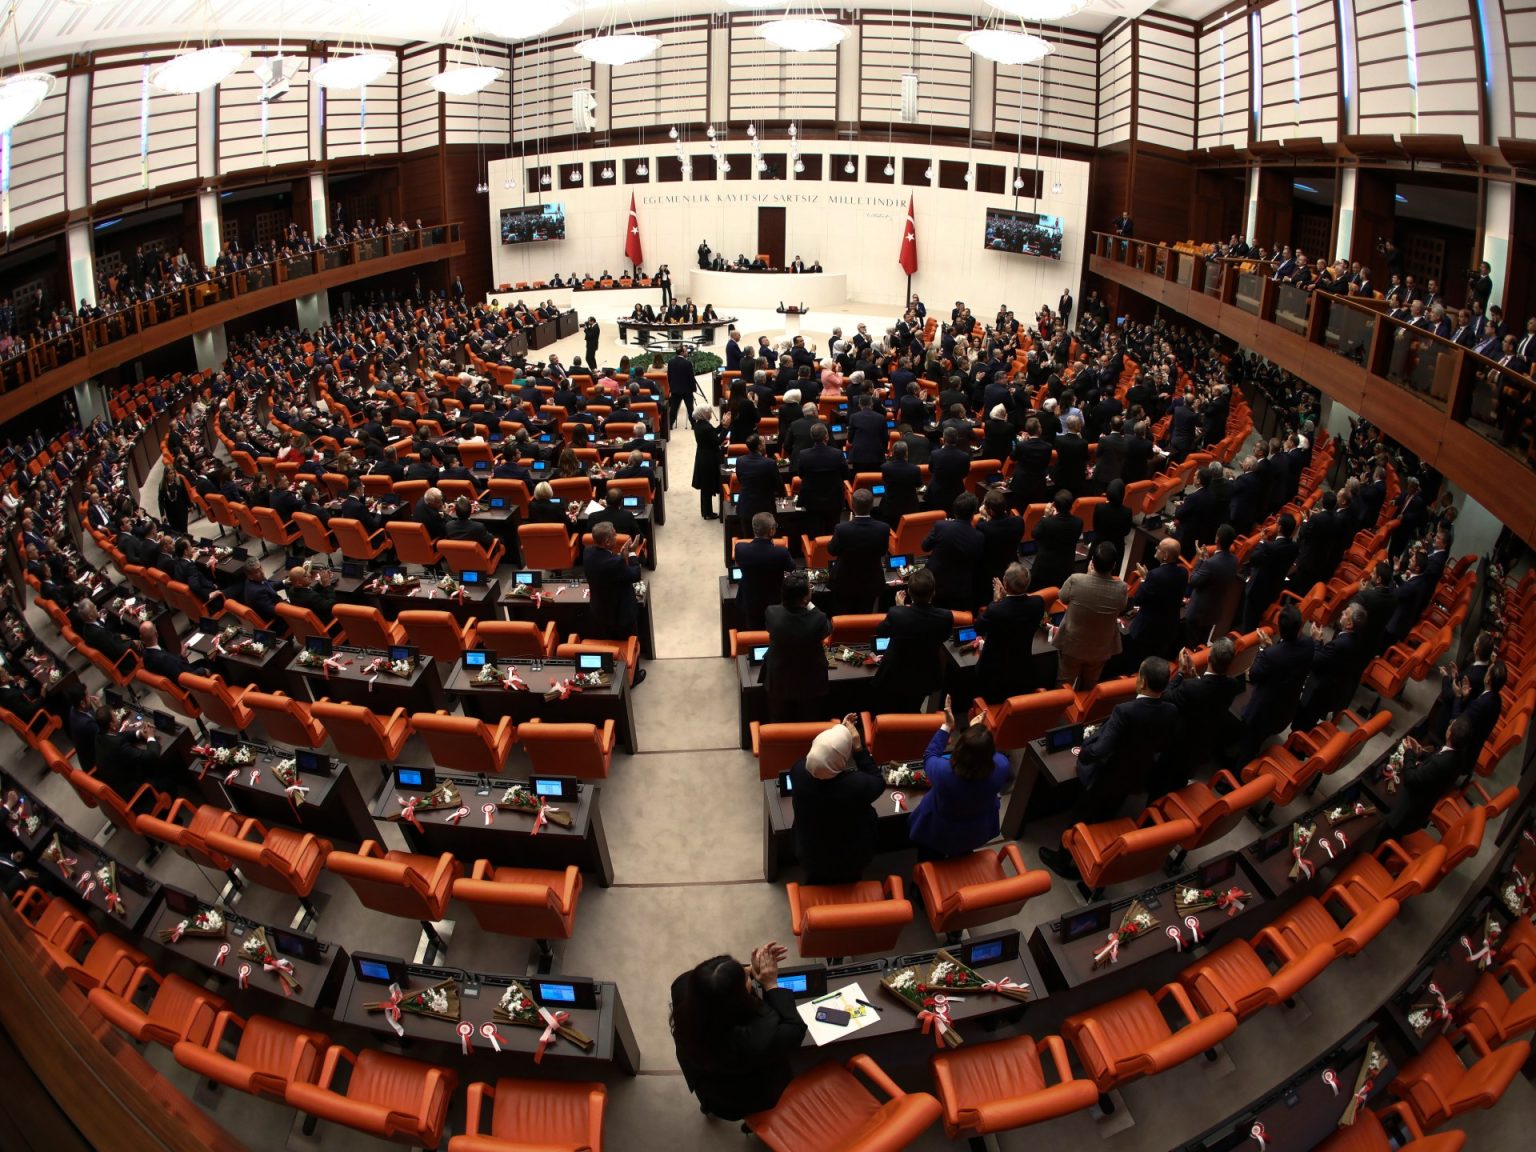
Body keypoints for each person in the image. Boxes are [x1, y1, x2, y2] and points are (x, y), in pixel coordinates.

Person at [1039, 657, 1182, 880]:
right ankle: (1101, 850)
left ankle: (1062, 860)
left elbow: (1100, 750)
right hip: (1136, 774)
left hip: (1105, 776)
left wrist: (1084, 753)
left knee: (1080, 816)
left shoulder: (1124, 711)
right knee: (1108, 814)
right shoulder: (1171, 710)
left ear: (1142, 682)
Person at [670, 943, 805, 1121]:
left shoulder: (683, 989)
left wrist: (750, 970)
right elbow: (795, 1030)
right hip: (747, 1099)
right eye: (746, 978)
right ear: (736, 998)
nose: (748, 974)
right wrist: (771, 985)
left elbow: (718, 983)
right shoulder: (757, 1037)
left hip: (712, 1092)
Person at [906, 697, 1011, 860]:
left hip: (937, 833)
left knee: (929, 857)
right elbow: (985, 758)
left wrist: (947, 725)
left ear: (959, 748)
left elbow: (930, 755)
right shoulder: (1002, 766)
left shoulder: (943, 772)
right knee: (963, 853)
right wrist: (976, 733)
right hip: (976, 831)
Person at [789, 718, 884, 883]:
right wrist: (858, 748)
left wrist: (840, 731)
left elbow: (818, 757)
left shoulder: (798, 772)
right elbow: (878, 781)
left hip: (809, 857)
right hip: (852, 862)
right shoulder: (856, 786)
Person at [1236, 605, 1313, 761]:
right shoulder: (1309, 645)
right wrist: (1271, 649)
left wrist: (1263, 649)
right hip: (1285, 710)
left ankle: (1237, 773)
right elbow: (1286, 659)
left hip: (1261, 714)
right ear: (1299, 628)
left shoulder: (1271, 655)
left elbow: (1254, 675)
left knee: (1248, 749)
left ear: (1279, 627)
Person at [873, 568, 953, 713]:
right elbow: (944, 636)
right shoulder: (945, 617)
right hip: (925, 675)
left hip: (894, 675)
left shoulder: (896, 613)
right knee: (914, 708)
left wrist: (900, 608)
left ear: (909, 591)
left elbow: (881, 631)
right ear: (933, 592)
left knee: (891, 709)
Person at [1163, 640, 1243, 777]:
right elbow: (1210, 692)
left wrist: (1180, 673)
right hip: (1206, 740)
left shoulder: (1190, 687)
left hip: (1181, 741)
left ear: (1209, 657)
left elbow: (1165, 696)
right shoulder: (1233, 685)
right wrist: (1197, 678)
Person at [1053, 542, 1128, 689]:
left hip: (1072, 645)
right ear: (1114, 565)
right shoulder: (1121, 588)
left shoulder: (1076, 580)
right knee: (1089, 686)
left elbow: (1062, 597)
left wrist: (1088, 576)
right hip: (1101, 648)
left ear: (1092, 562)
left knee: (1064, 685)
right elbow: (1122, 607)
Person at [1383, 717, 1469, 840]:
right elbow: (1437, 760)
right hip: (1424, 804)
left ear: (1449, 733)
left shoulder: (1441, 763)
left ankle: (1380, 850)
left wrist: (1409, 752)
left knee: (1387, 833)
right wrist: (1421, 753)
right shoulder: (1459, 755)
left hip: (1407, 811)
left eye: (1450, 724)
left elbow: (1410, 779)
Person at [974, 563, 1047, 703]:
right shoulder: (1038, 603)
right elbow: (1018, 606)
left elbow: (979, 628)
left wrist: (997, 601)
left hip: (992, 672)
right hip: (1022, 668)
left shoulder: (996, 609)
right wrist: (1006, 597)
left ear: (1005, 584)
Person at [582, 524, 646, 684]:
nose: (617, 537)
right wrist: (632, 553)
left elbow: (608, 570)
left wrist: (620, 557)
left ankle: (611, 672)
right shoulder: (615, 563)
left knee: (608, 642)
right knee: (630, 641)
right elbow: (635, 574)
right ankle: (633, 677)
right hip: (621, 612)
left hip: (599, 609)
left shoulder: (587, 552)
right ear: (607, 541)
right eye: (614, 535)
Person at [763, 572, 830, 722]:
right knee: (810, 723)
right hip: (811, 682)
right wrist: (809, 604)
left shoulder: (771, 613)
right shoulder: (818, 619)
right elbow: (827, 630)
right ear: (805, 598)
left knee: (779, 723)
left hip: (779, 681)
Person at [1293, 606, 1372, 731]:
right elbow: (1329, 659)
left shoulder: (1340, 644)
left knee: (1300, 724)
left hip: (1318, 692)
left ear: (1350, 624)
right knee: (1309, 722)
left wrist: (1316, 640)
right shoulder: (1357, 640)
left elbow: (1316, 661)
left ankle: (1295, 741)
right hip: (1332, 690)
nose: (1342, 612)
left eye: (1346, 613)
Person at [826, 488, 889, 615]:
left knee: (843, 616)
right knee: (865, 616)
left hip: (844, 582)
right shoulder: (883, 528)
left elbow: (832, 550)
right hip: (871, 581)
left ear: (852, 506)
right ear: (872, 506)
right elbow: (882, 552)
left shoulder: (842, 529)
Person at [1127, 536, 1188, 665]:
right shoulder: (1183, 573)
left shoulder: (1155, 575)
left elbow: (1138, 599)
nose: (1156, 548)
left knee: (1138, 663)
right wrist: (1148, 578)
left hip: (1148, 631)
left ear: (1165, 556)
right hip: (1169, 629)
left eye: (1159, 548)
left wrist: (1145, 579)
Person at [921, 492, 985, 611]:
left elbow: (925, 547)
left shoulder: (941, 526)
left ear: (954, 510)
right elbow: (977, 561)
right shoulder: (978, 536)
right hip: (961, 589)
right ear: (973, 513)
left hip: (935, 585)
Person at [734, 512, 794, 631]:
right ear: (771, 531)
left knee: (754, 633)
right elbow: (791, 567)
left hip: (750, 601)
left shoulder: (740, 548)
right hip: (775, 602)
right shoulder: (781, 553)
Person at [1184, 524, 1241, 647]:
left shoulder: (1211, 563)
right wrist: (1205, 561)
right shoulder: (1234, 560)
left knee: (1190, 645)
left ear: (1217, 539)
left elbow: (1193, 580)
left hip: (1198, 613)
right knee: (1202, 644)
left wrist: (1201, 560)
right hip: (1213, 612)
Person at [1241, 513, 1298, 630]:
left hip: (1256, 590)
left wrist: (1262, 542)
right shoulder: (1294, 547)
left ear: (1280, 528)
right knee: (1257, 618)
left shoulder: (1268, 547)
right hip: (1273, 590)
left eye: (1277, 523)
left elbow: (1254, 559)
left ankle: (1246, 638)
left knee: (1249, 622)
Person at [1028, 491, 1083, 593]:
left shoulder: (1047, 522)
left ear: (1054, 505)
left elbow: (1034, 534)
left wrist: (1045, 515)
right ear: (1071, 506)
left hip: (1044, 570)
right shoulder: (1078, 522)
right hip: (1066, 569)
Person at [692, 405, 727, 519]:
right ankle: (708, 513)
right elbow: (718, 441)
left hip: (702, 456)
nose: (711, 414)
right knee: (707, 486)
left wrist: (721, 424)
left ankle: (706, 512)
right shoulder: (705, 427)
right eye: (709, 412)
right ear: (704, 414)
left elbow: (714, 432)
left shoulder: (700, 424)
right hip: (708, 459)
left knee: (705, 486)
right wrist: (725, 428)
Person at [667, 347, 696, 429]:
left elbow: (669, 377)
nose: (687, 352)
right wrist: (693, 388)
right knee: (690, 408)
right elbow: (691, 377)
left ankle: (669, 425)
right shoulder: (688, 363)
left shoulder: (671, 362)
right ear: (682, 353)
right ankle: (694, 425)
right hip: (687, 390)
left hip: (675, 390)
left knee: (673, 409)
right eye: (686, 351)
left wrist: (671, 387)